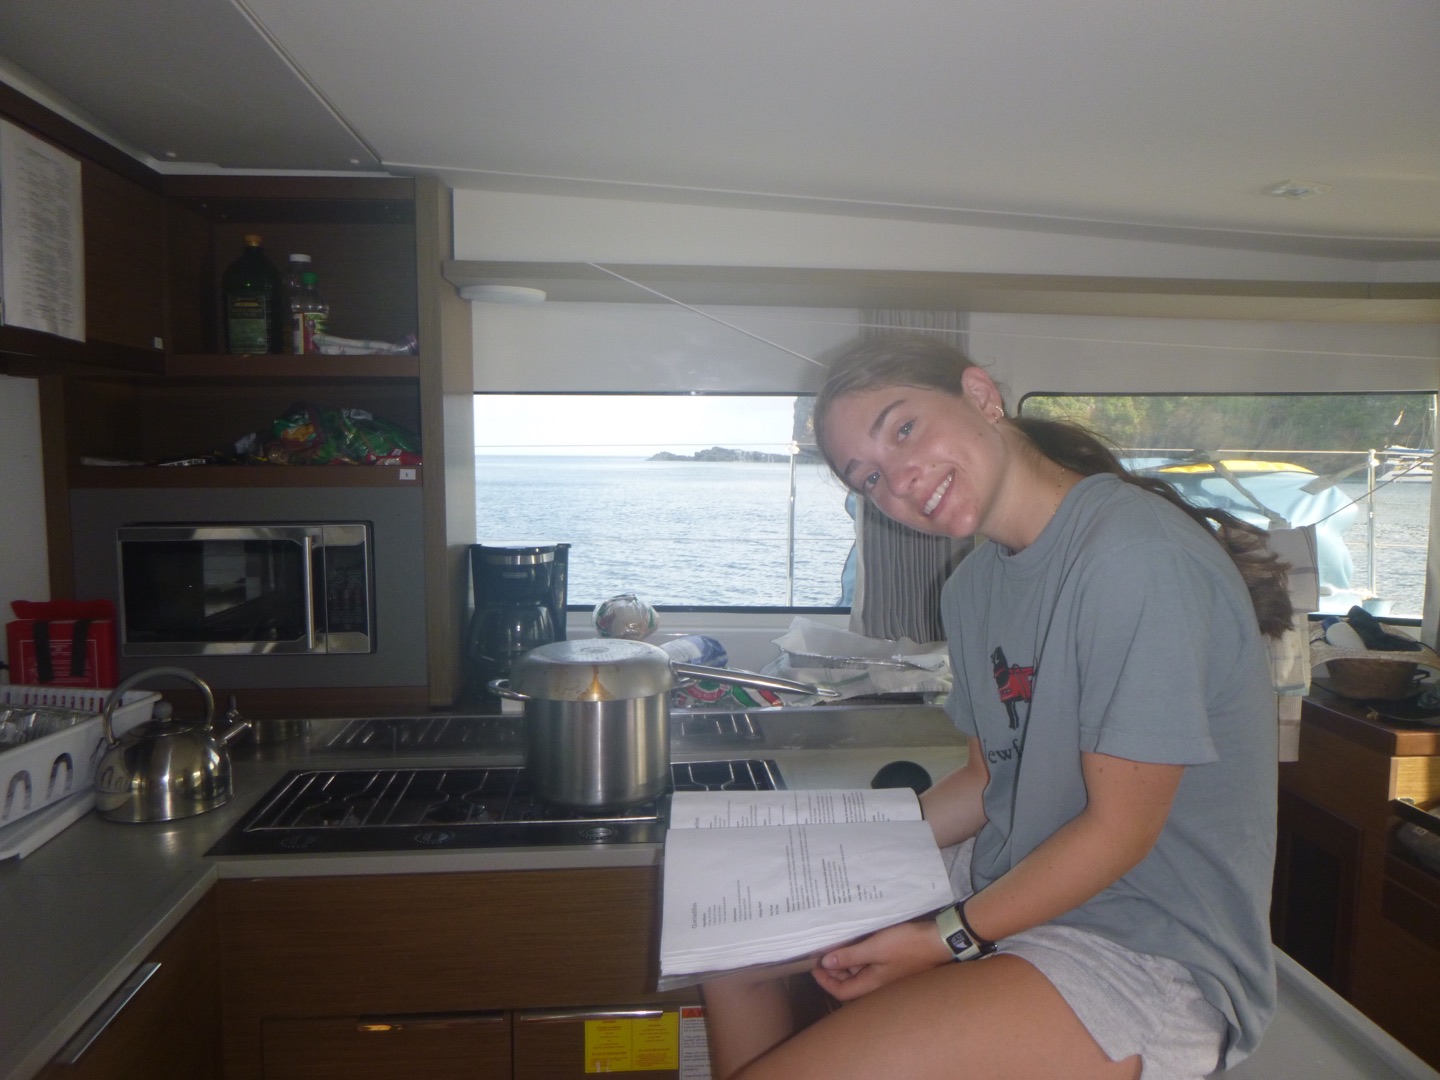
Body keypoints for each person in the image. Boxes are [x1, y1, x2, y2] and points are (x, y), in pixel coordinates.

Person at [701, 334, 1292, 1080]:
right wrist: (841, 849)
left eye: (904, 429)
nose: (899, 481)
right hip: (1012, 878)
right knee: (731, 952)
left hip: (1149, 944)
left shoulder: (1134, 556)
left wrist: (945, 939)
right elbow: (987, 784)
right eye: (870, 478)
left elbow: (1120, 832)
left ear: (981, 397)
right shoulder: (973, 587)